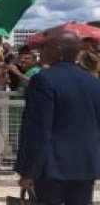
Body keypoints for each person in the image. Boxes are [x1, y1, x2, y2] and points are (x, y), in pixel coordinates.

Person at [15, 31, 100, 205]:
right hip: (85, 165)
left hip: (51, 168)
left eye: (44, 46)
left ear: (58, 49)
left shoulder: (43, 80)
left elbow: (38, 130)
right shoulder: (93, 82)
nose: (40, 51)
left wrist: (28, 171)